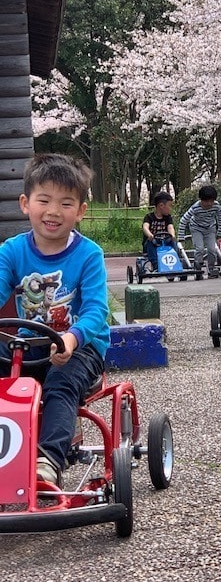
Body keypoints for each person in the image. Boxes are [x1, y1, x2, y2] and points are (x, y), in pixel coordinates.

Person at [0, 153, 110, 486]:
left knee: (60, 384)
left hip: (79, 347)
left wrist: (71, 339)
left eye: (65, 204)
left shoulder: (89, 254)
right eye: (44, 200)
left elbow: (95, 311)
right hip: (28, 344)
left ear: (80, 211)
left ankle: (47, 460)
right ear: (25, 203)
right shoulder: (12, 251)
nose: (52, 211)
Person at [177, 185, 221, 279]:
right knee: (200, 249)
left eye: (211, 201)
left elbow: (220, 218)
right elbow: (183, 220)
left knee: (212, 249)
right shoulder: (195, 207)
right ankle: (198, 267)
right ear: (201, 200)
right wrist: (181, 237)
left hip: (210, 228)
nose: (209, 204)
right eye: (206, 201)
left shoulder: (216, 206)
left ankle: (211, 268)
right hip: (196, 228)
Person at [142, 191, 177, 271]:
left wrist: (172, 235)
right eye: (169, 206)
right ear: (161, 205)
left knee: (173, 242)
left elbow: (170, 227)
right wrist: (150, 235)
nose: (170, 208)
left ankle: (175, 261)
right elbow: (145, 227)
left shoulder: (168, 217)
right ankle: (156, 265)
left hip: (165, 241)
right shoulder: (149, 217)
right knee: (151, 243)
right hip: (153, 241)